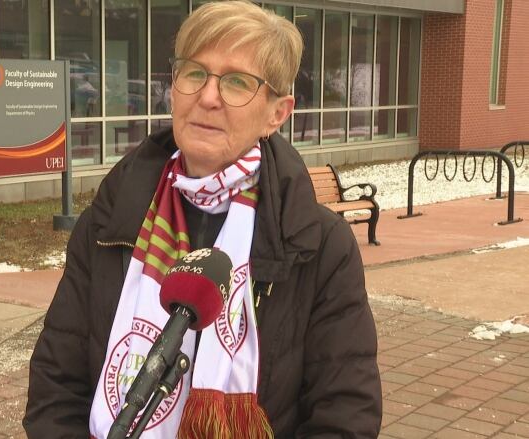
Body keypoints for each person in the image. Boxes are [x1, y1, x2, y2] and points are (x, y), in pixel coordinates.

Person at [23, 1, 382, 438]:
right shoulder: (111, 223)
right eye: (194, 73)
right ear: (174, 88)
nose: (208, 97)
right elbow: (56, 385)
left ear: (277, 113)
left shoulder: (319, 246)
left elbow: (345, 416)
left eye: (236, 82)